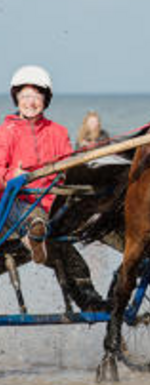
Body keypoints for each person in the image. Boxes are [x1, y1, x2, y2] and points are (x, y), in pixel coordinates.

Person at [0, 65, 106, 310]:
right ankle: (34, 234)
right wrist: (11, 175)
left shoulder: (58, 132)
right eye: (25, 96)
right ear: (16, 98)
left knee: (75, 261)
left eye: (36, 97)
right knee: (34, 216)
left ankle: (93, 304)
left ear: (45, 99)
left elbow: (70, 169)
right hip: (16, 205)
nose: (30, 102)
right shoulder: (7, 131)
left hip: (54, 208)